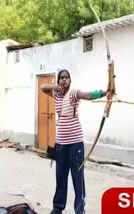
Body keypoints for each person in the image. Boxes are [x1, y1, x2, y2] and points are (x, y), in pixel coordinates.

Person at [40, 69, 107, 214]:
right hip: (60, 144)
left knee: (77, 176)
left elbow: (88, 95)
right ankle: (58, 208)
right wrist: (55, 87)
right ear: (58, 81)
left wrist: (104, 92)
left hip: (75, 143)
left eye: (66, 78)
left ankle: (79, 210)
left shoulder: (74, 93)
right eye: (61, 78)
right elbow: (42, 88)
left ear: (70, 81)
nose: (64, 80)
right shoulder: (56, 95)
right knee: (60, 176)